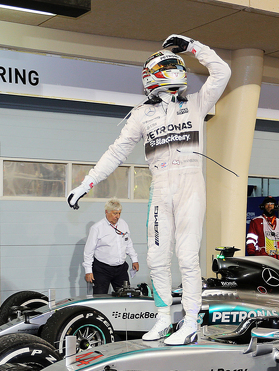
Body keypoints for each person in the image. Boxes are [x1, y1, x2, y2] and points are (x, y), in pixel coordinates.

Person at [66, 34, 231, 345]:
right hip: (160, 186)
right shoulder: (142, 113)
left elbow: (223, 72)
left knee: (186, 256)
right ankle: (164, 319)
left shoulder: (197, 103)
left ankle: (191, 321)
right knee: (156, 258)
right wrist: (85, 184)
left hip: (190, 183)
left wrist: (195, 47)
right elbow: (116, 151)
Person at [83, 198, 139, 294]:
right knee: (100, 298)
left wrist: (134, 259)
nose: (117, 216)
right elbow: (88, 251)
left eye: (119, 213)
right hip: (102, 269)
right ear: (106, 212)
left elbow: (128, 243)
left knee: (126, 296)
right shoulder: (97, 228)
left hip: (120, 269)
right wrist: (88, 270)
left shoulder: (123, 224)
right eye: (114, 213)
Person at [246, 196, 279, 262]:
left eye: (272, 204)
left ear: (275, 206)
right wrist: (251, 254)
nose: (269, 206)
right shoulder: (256, 221)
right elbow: (251, 240)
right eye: (267, 203)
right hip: (263, 258)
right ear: (263, 206)